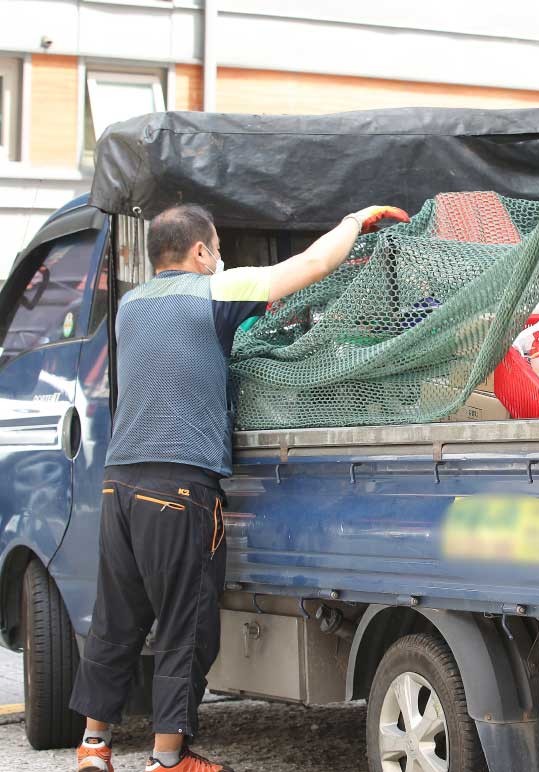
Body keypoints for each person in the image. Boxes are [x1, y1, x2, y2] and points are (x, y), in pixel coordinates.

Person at [71, 202, 408, 772]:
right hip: (179, 488)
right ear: (201, 251)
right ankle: (169, 759)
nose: (220, 254)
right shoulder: (215, 291)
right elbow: (311, 264)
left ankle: (94, 746)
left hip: (120, 486)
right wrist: (353, 222)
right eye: (217, 245)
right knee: (185, 623)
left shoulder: (130, 307)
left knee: (116, 619)